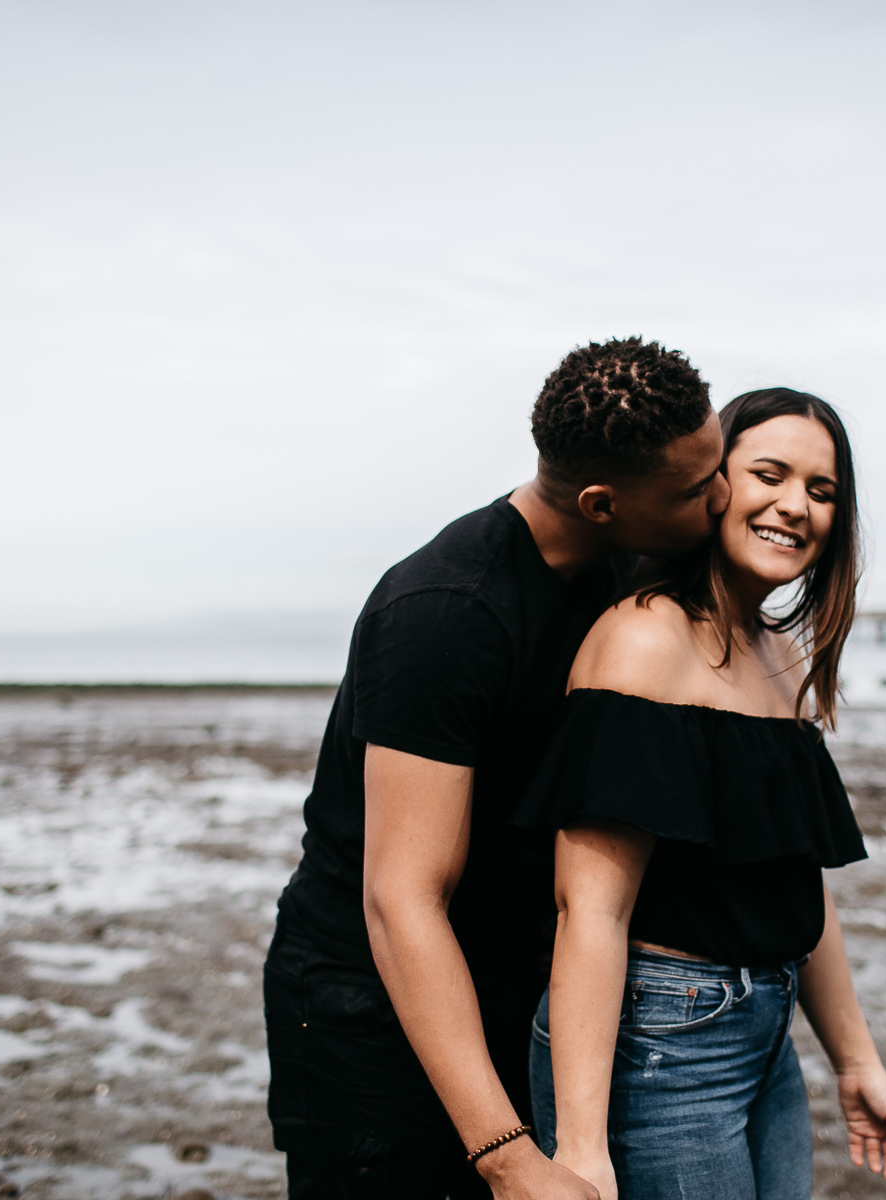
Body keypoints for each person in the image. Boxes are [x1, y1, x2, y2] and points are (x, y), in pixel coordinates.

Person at [264, 337, 734, 1199]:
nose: (725, 497)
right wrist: (507, 1157)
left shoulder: (626, 570)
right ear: (601, 502)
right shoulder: (446, 614)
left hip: (515, 979)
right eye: (699, 488)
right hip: (372, 1006)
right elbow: (400, 899)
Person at [519, 387, 886, 1200]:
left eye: (821, 489)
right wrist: (582, 1145)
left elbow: (799, 886)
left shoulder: (783, 657)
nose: (794, 506)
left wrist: (856, 1059)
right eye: (770, 474)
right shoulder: (641, 640)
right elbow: (590, 909)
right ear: (715, 485)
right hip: (661, 1042)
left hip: (765, 1032)